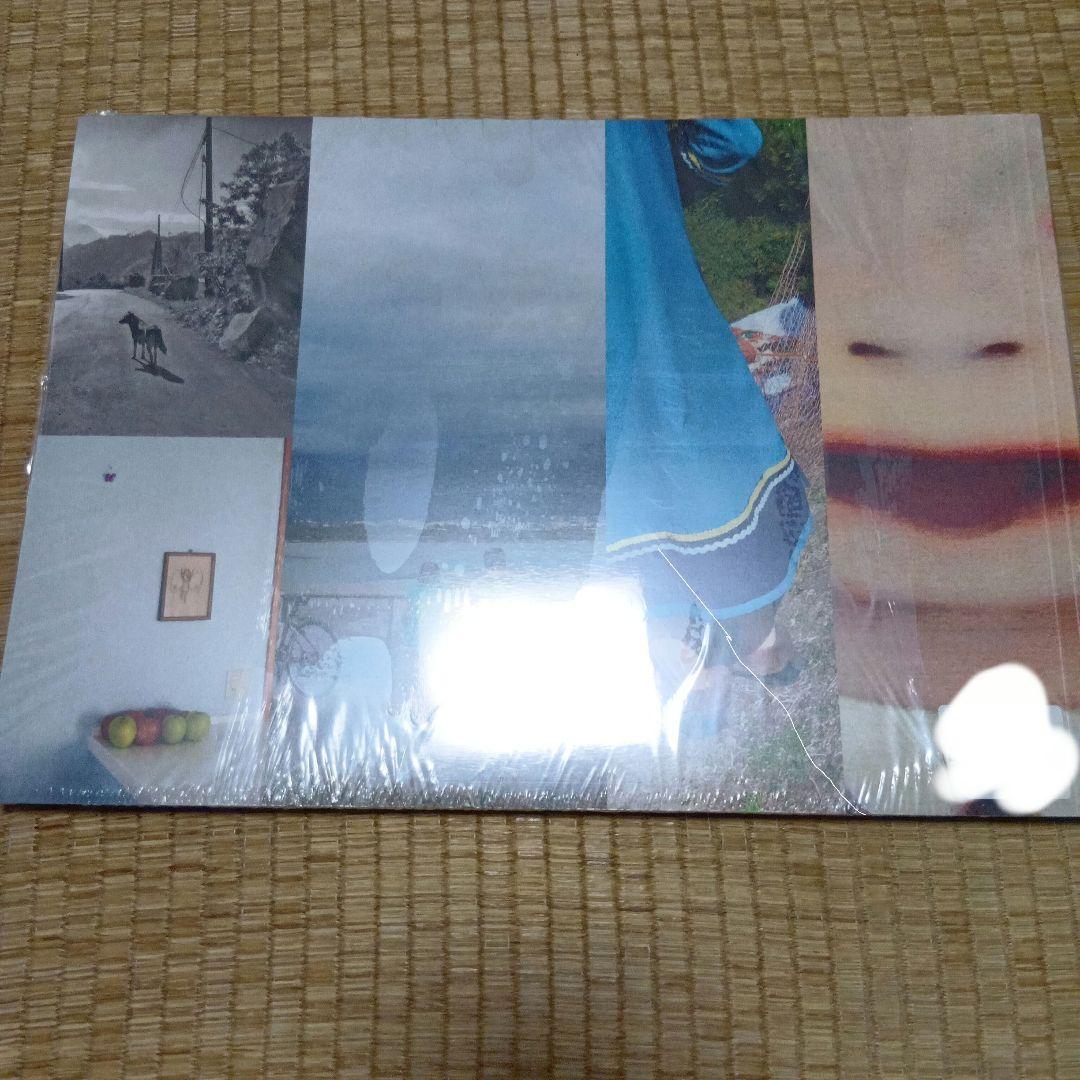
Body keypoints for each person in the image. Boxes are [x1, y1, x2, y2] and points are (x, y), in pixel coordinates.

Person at [604, 120, 812, 707]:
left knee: (641, 501)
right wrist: (653, 178)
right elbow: (732, 138)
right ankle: (747, 644)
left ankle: (695, 665)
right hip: (653, 311)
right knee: (704, 480)